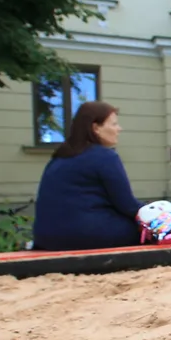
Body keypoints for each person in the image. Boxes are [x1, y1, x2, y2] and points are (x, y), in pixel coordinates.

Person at [33, 101, 144, 251]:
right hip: (85, 235)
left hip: (46, 238)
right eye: (114, 124)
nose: (119, 129)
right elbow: (127, 206)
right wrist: (161, 215)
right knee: (153, 231)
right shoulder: (105, 156)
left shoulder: (59, 157)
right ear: (96, 128)